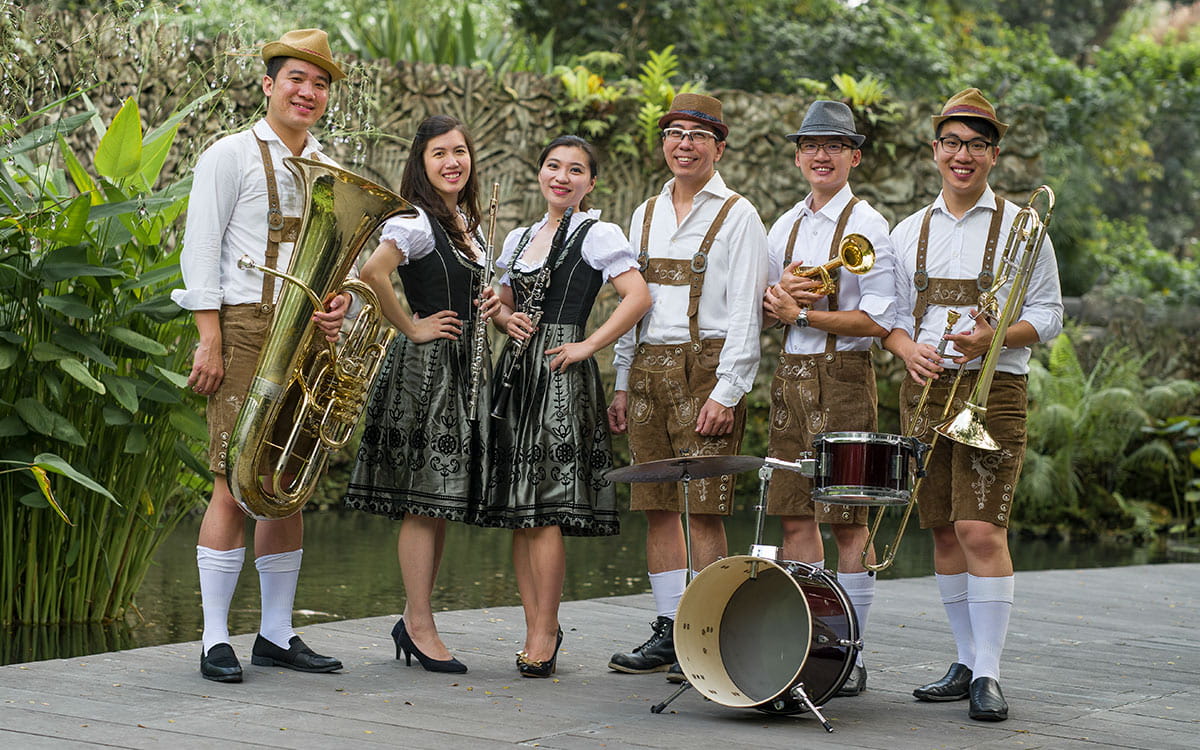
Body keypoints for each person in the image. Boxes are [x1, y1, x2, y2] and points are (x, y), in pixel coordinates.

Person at [174, 29, 348, 682]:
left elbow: (336, 257)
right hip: (245, 328)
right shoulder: (230, 155)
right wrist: (210, 336)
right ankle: (214, 637)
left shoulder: (328, 169)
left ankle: (276, 634)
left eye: (321, 83)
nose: (308, 92)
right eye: (297, 79)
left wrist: (338, 307)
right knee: (231, 479)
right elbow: (200, 247)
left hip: (305, 332)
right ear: (269, 84)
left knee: (287, 486)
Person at [885, 88, 1063, 721]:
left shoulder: (1023, 227)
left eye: (978, 145)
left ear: (994, 155)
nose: (964, 156)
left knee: (980, 529)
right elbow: (889, 318)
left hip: (995, 392)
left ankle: (988, 672)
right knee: (941, 528)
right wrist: (908, 350)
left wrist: (995, 336)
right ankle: (964, 660)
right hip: (926, 390)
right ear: (936, 150)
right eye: (953, 143)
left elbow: (1049, 315)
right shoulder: (909, 231)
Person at [606, 93, 769, 677]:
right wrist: (622, 381)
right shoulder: (644, 213)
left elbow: (749, 310)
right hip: (648, 368)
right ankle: (668, 627)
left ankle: (707, 632)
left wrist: (729, 390)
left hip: (707, 370)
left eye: (698, 135)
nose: (684, 144)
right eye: (674, 132)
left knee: (704, 510)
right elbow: (633, 305)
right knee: (654, 507)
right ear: (663, 143)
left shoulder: (739, 214)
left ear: (719, 146)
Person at [488, 135, 652, 678]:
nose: (563, 177)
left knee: (548, 508)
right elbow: (508, 303)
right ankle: (536, 624)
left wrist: (587, 345)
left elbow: (637, 296)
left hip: (560, 371)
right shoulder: (518, 237)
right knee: (519, 509)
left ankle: (544, 630)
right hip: (515, 373)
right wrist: (498, 314)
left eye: (575, 170)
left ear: (591, 182)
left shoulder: (598, 233)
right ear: (540, 174)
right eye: (554, 167)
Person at [343, 114, 498, 674]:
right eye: (439, 154)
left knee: (443, 501)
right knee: (423, 500)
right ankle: (421, 624)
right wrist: (412, 326)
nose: (453, 161)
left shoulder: (467, 225)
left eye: (460, 151)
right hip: (428, 372)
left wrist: (498, 309)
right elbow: (373, 272)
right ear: (421, 163)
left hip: (463, 371)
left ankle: (414, 619)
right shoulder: (416, 220)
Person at [760, 100, 898, 697]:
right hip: (791, 375)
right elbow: (764, 311)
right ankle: (810, 649)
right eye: (811, 145)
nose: (821, 155)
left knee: (848, 521)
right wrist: (777, 301)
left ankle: (852, 655)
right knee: (795, 515)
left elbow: (878, 319)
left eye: (834, 146)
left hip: (843, 378)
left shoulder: (871, 223)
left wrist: (804, 311)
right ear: (797, 156)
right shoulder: (783, 225)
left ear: (854, 157)